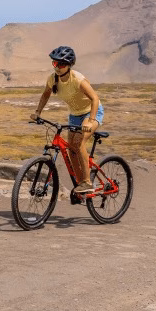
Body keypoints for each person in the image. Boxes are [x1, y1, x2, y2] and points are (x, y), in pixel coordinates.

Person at [29, 45, 102, 197]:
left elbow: (95, 98)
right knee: (71, 150)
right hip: (74, 115)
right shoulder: (52, 79)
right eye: (54, 63)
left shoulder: (78, 79)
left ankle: (87, 182)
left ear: (69, 65)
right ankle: (80, 184)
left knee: (79, 143)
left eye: (61, 64)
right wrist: (37, 113)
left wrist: (91, 120)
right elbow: (45, 95)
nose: (57, 67)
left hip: (91, 112)